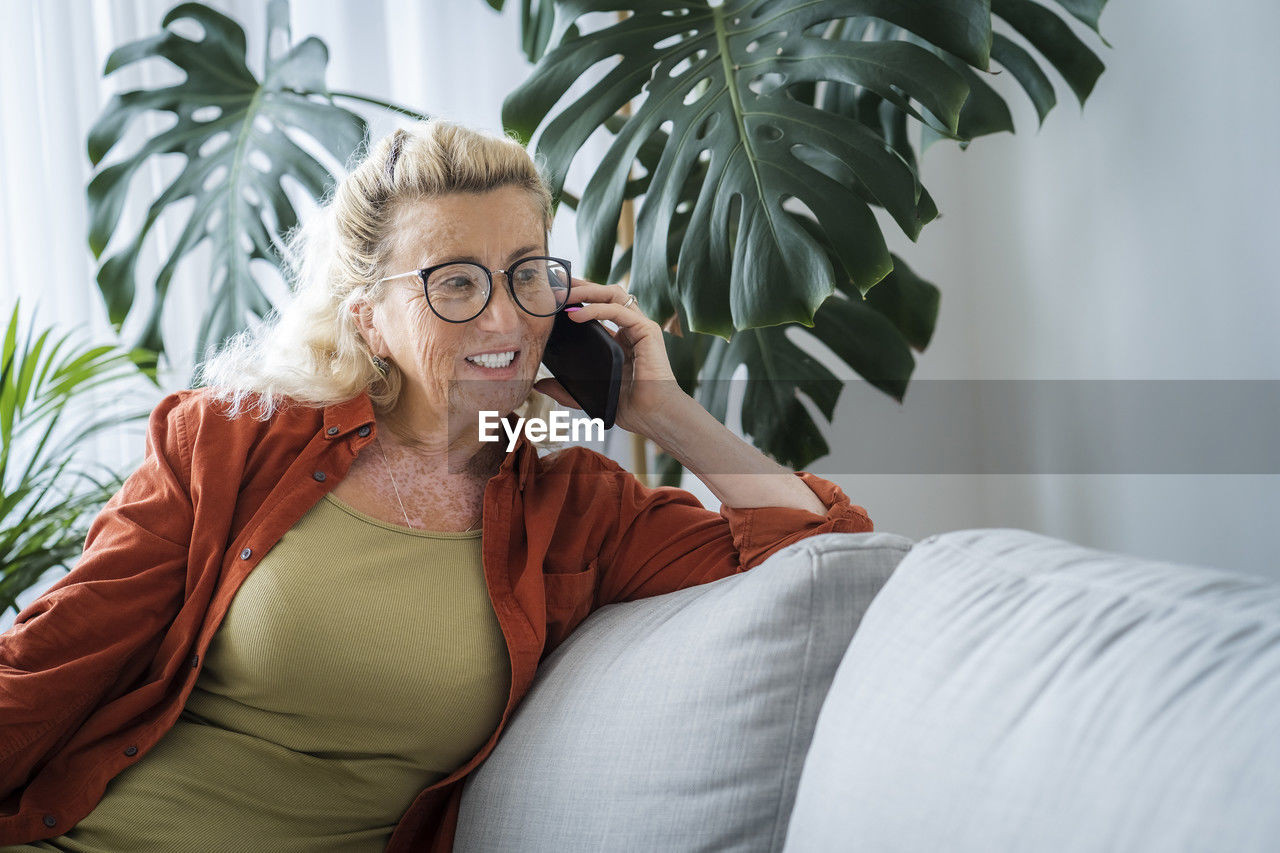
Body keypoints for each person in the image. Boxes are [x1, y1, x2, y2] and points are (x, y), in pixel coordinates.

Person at [0, 120, 873, 851]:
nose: (503, 317)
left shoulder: (578, 508)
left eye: (528, 272)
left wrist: (662, 411)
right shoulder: (226, 443)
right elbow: (50, 664)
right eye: (454, 281)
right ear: (369, 318)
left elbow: (828, 558)